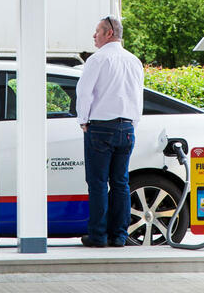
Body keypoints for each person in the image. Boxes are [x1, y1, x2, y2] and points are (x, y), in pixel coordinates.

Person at [76, 16, 144, 248]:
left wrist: (83, 120)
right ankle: (119, 236)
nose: (93, 36)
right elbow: (138, 96)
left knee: (97, 183)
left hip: (100, 128)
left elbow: (84, 92)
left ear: (109, 33)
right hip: (127, 128)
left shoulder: (97, 59)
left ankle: (98, 236)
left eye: (97, 31)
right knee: (120, 183)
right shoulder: (134, 61)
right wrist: (132, 124)